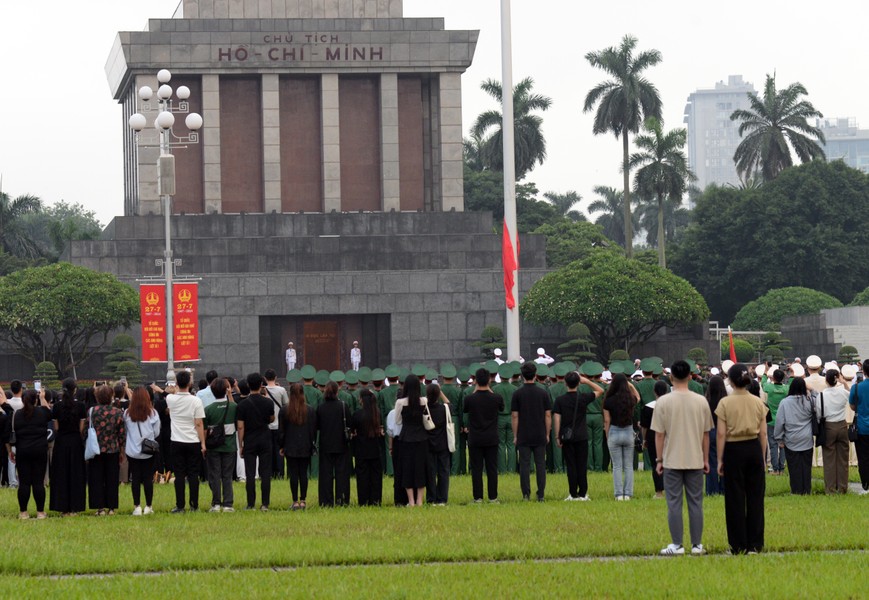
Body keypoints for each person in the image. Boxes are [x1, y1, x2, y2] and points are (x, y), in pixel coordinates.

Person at [652, 360, 714, 556]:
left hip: (672, 459)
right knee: (696, 503)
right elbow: (706, 434)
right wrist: (705, 459)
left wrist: (659, 460)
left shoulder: (663, 401)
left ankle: (677, 544)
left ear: (671, 377)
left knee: (674, 504)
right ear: (690, 376)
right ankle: (697, 545)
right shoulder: (701, 401)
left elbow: (659, 434)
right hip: (695, 458)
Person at [716, 363, 768, 554]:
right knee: (755, 497)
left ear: (730, 380)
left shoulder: (725, 403)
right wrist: (762, 458)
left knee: (734, 498)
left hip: (733, 449)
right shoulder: (758, 402)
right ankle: (755, 543)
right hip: (753, 447)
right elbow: (763, 434)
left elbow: (721, 434)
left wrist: (720, 460)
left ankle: (738, 545)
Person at [554, 370, 603, 501]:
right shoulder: (583, 397)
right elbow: (600, 390)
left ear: (565, 383)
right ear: (578, 383)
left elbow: (557, 419)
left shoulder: (560, 400)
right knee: (582, 465)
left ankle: (572, 493)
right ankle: (583, 493)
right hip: (582, 435)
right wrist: (587, 381)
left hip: (567, 436)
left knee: (571, 465)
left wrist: (557, 436)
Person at [6, 389, 51, 519]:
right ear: (35, 400)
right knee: (38, 482)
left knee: (24, 483)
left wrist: (10, 451)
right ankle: (40, 512)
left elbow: (9, 435)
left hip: (22, 451)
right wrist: (42, 398)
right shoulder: (42, 412)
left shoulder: (17, 415)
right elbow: (49, 413)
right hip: (40, 450)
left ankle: (23, 512)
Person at [166, 370, 207, 513]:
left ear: (177, 383)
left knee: (179, 475)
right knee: (193, 475)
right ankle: (194, 505)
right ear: (190, 383)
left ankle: (180, 505)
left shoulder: (170, 399)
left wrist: (175, 388)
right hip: (193, 441)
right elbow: (199, 424)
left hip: (176, 441)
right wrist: (203, 443)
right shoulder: (196, 401)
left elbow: (169, 392)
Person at [511, 362, 552, 502]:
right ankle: (541, 494)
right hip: (540, 432)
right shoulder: (543, 393)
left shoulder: (517, 394)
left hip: (523, 433)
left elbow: (515, 416)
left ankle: (526, 494)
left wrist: (515, 435)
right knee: (541, 464)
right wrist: (547, 433)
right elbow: (548, 415)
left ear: (522, 376)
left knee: (524, 465)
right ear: (535, 375)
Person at [463, 368, 503, 503]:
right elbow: (501, 407)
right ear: (489, 380)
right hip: (492, 437)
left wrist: (476, 389)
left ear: (475, 381)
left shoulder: (470, 399)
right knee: (492, 469)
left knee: (476, 469)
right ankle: (493, 497)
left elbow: (465, 409)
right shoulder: (496, 398)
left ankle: (478, 497)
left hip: (475, 438)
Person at [49, 378, 87, 516]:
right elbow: (81, 428)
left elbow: (56, 427)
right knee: (76, 474)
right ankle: (75, 507)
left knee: (61, 474)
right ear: (75, 389)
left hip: (61, 442)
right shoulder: (81, 406)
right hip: (76, 442)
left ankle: (62, 507)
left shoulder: (57, 407)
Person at [237, 372, 275, 511]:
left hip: (250, 439)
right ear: (261, 385)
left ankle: (250, 503)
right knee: (265, 473)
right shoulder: (268, 402)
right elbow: (272, 419)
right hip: (265, 438)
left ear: (247, 385)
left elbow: (240, 426)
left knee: (250, 474)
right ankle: (265, 504)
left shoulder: (242, 405)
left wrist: (240, 444)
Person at [88, 384, 126, 516]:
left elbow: (87, 430)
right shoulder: (117, 412)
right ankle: (111, 508)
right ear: (111, 396)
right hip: (113, 449)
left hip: (96, 449)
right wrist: (121, 451)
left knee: (97, 478)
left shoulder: (92, 411)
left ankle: (100, 508)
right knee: (112, 478)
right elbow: (121, 434)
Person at [774, 377, 815, 495]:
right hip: (807, 439)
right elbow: (818, 397)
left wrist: (779, 438)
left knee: (794, 467)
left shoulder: (785, 402)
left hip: (791, 439)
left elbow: (779, 422)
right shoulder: (809, 401)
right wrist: (811, 389)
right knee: (806, 467)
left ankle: (796, 490)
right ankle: (807, 489)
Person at [124, 386, 161, 516]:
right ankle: (149, 506)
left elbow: (126, 431)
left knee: (135, 479)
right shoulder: (153, 413)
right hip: (148, 451)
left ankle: (137, 506)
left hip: (132, 451)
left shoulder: (127, 413)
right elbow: (156, 432)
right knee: (147, 478)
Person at [603, 373, 640, 500]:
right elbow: (638, 397)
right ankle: (628, 493)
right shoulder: (630, 399)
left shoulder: (608, 400)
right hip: (628, 431)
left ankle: (619, 494)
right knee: (628, 466)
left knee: (617, 466)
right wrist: (630, 384)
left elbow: (607, 420)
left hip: (614, 431)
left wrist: (608, 435)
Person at [280, 383, 317, 510]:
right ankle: (303, 500)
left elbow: (282, 431)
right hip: (305, 445)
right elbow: (313, 429)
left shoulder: (285, 410)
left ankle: (295, 500)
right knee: (303, 473)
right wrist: (312, 443)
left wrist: (281, 446)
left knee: (293, 473)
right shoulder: (310, 410)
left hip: (290, 446)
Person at [394, 374, 429, 506]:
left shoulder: (400, 403)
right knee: (420, 468)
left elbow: (397, 421)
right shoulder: (424, 401)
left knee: (407, 468)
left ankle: (411, 501)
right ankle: (420, 500)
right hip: (421, 438)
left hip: (406, 438)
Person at [316, 381, 352, 506]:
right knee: (342, 473)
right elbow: (349, 424)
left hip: (326, 444)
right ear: (337, 392)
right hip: (341, 443)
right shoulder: (343, 405)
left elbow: (318, 426)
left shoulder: (321, 407)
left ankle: (326, 501)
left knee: (326, 474)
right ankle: (342, 499)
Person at [204, 378, 237, 512]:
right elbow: (235, 410)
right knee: (227, 475)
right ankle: (228, 504)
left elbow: (205, 430)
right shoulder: (233, 406)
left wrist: (203, 445)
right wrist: (230, 395)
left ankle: (216, 503)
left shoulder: (208, 409)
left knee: (214, 475)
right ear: (226, 390)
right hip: (229, 445)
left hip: (213, 446)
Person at [819, 369, 851, 494]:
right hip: (842, 426)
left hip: (828, 426)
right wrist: (844, 383)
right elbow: (851, 395)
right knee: (843, 459)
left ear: (826, 379)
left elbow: (818, 412)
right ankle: (843, 487)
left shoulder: (821, 395)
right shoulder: (843, 392)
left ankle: (830, 489)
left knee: (829, 459)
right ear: (837, 378)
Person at [351, 389, 383, 506]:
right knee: (376, 476)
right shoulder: (377, 413)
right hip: (375, 449)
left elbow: (353, 430)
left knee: (362, 477)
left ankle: (363, 501)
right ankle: (376, 500)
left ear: (362, 399)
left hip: (361, 450)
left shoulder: (357, 414)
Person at [640, 380, 669, 499]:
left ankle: (659, 492)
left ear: (654, 392)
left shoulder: (648, 407)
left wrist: (644, 439)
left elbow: (644, 427)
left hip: (653, 437)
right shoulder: (671, 405)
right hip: (670, 436)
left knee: (656, 463)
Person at [425, 383, 452, 505]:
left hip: (428, 444)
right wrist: (440, 392)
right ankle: (442, 498)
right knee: (443, 471)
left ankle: (431, 497)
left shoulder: (424, 409)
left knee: (430, 472)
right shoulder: (444, 409)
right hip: (443, 443)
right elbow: (450, 405)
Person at [761, 368, 789, 475]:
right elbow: (792, 383)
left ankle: (775, 468)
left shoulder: (770, 387)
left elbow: (762, 383)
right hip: (783, 421)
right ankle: (782, 468)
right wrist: (791, 375)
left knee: (773, 445)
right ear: (783, 378)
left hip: (771, 421)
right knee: (782, 444)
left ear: (773, 378)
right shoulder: (786, 388)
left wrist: (765, 372)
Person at [705, 376, 728, 496]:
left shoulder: (706, 401)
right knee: (725, 461)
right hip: (725, 432)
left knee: (711, 462)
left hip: (710, 432)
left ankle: (711, 490)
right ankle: (725, 488)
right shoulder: (726, 402)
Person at [849, 359, 869, 494]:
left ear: (864, 371)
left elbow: (852, 406)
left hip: (862, 427)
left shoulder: (856, 387)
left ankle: (866, 482)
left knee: (863, 457)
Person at [264, 369, 289, 480]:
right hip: (279, 425)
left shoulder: (263, 390)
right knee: (279, 449)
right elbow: (286, 405)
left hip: (267, 425)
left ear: (265, 378)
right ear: (276, 377)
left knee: (269, 450)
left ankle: (270, 472)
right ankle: (280, 473)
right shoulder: (281, 390)